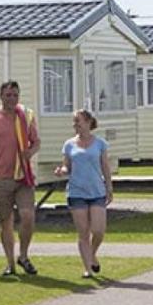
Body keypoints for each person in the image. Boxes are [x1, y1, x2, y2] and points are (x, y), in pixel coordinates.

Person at [0, 81, 41, 276]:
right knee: (6, 222)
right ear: (1, 96)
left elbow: (37, 142)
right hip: (0, 178)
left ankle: (24, 255)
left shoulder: (26, 117)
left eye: (15, 95)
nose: (12, 98)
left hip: (23, 177)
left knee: (28, 216)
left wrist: (31, 151)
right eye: (8, 95)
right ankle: (10, 263)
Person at [54, 109, 113, 278]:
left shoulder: (100, 144)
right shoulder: (69, 144)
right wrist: (61, 171)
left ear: (88, 122)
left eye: (78, 121)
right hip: (76, 191)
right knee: (83, 232)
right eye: (74, 122)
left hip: (96, 191)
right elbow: (67, 166)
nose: (75, 125)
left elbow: (105, 167)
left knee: (99, 230)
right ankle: (87, 267)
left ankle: (92, 254)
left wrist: (109, 187)